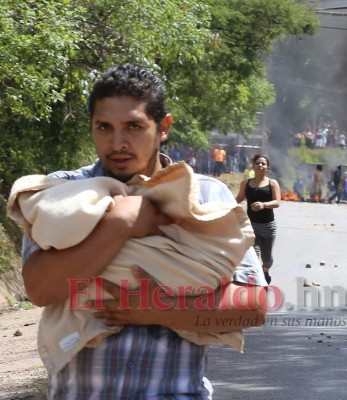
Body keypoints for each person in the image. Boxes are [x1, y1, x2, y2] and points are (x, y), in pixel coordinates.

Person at [19, 63, 267, 399]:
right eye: (104, 127)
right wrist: (121, 224)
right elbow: (39, 288)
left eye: (133, 126)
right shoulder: (62, 193)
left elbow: (253, 306)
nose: (117, 142)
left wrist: (158, 308)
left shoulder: (207, 197)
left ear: (163, 126)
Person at [235, 154, 280, 285]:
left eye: (263, 164)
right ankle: (256, 279)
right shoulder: (246, 183)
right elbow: (239, 198)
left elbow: (277, 202)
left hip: (267, 226)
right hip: (251, 226)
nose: (260, 165)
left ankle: (265, 270)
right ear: (253, 166)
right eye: (257, 163)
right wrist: (227, 202)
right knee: (253, 255)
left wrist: (264, 205)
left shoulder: (272, 183)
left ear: (268, 168)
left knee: (266, 258)